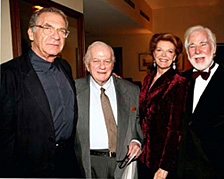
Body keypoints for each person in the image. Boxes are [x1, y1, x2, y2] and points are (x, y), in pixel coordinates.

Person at [0, 7, 81, 177]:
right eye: (48, 28)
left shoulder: (65, 67)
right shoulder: (8, 74)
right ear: (31, 33)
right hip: (30, 168)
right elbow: (4, 136)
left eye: (61, 31)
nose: (56, 36)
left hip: (67, 162)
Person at [179, 25, 224, 179]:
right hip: (182, 169)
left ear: (214, 48)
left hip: (216, 170)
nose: (197, 51)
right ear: (187, 52)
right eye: (192, 46)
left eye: (203, 44)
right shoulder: (180, 81)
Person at [74, 41, 143, 178]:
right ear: (87, 65)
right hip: (87, 163)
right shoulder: (73, 90)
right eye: (96, 61)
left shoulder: (131, 90)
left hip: (123, 163)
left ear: (113, 64)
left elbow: (138, 123)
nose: (102, 66)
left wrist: (136, 141)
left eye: (107, 61)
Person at [138, 33, 190, 179]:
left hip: (161, 160)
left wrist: (165, 166)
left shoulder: (178, 83)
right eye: (159, 50)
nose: (164, 55)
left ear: (175, 57)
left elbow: (175, 129)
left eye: (170, 51)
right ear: (153, 53)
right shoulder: (148, 78)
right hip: (143, 155)